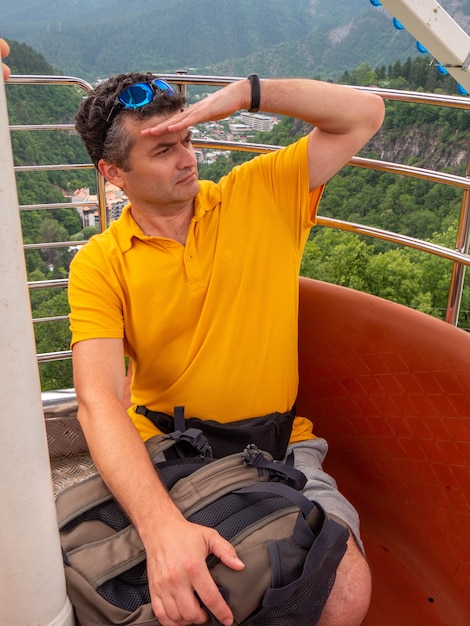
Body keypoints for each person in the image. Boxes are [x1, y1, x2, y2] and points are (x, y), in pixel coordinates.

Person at [70, 72, 384, 626]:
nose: (187, 158)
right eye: (164, 150)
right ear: (112, 173)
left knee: (343, 590)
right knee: (179, 598)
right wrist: (160, 526)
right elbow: (97, 397)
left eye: (188, 140)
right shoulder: (101, 262)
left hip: (280, 447)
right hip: (169, 447)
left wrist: (245, 94)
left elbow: (364, 113)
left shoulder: (259, 193)